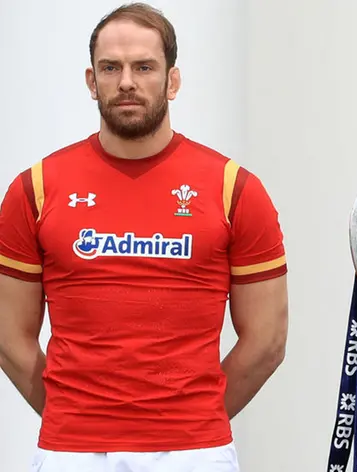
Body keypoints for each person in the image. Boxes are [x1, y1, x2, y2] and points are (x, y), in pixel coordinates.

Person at [0, 3, 289, 471]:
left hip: (193, 453)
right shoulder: (34, 188)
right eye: (110, 67)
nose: (126, 82)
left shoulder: (235, 188)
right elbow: (10, 337)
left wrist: (190, 421)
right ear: (92, 82)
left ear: (172, 81)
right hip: (70, 452)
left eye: (144, 67)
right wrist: (75, 416)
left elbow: (268, 341)